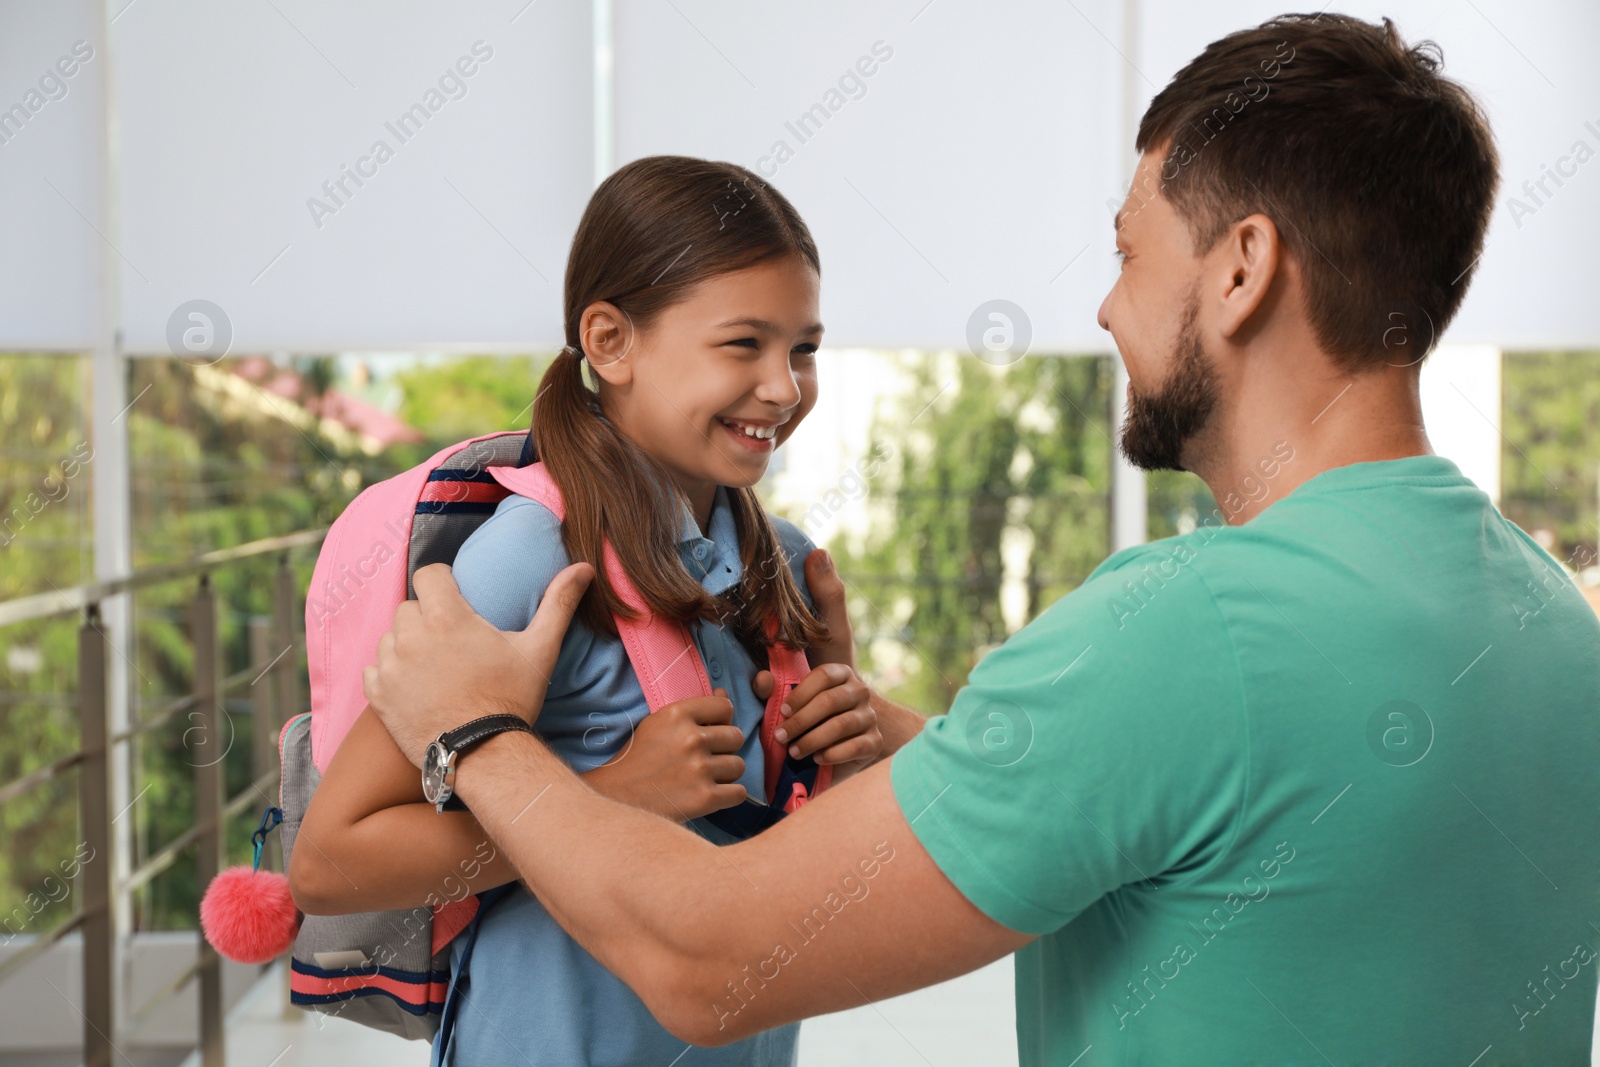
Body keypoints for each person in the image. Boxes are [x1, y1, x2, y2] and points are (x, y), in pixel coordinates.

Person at [363, 15, 1600, 1065]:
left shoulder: (1184, 624)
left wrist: (472, 733)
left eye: (1127, 252)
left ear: (1241, 271)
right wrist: (932, 757)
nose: (1106, 305)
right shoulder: (1546, 615)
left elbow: (708, 956)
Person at [289, 156, 899, 1066]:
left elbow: (795, 862)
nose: (784, 386)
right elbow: (329, 863)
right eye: (744, 344)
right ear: (610, 342)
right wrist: (620, 794)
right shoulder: (530, 556)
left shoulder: (788, 564)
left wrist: (852, 746)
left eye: (803, 347)